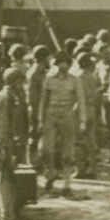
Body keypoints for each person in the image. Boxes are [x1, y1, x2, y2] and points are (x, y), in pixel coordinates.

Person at [38, 51, 87, 196]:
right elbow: (43, 101)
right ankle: (50, 173)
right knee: (46, 150)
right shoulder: (49, 80)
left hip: (67, 115)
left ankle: (67, 184)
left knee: (67, 152)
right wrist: (40, 120)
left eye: (65, 63)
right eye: (60, 63)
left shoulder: (75, 80)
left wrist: (82, 121)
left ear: (69, 65)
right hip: (51, 114)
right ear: (56, 64)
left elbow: (81, 100)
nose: (63, 66)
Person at [0, 67, 29, 220]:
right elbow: (1, 124)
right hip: (3, 144)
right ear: (14, 82)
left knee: (2, 180)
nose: (22, 85)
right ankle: (7, 218)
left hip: (5, 143)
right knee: (5, 181)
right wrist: (4, 146)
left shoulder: (7, 96)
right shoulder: (5, 98)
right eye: (20, 82)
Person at [73, 51, 102, 178]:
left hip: (80, 108)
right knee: (91, 140)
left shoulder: (77, 76)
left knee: (78, 140)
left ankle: (79, 168)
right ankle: (93, 169)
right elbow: (97, 94)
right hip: (91, 108)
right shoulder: (93, 76)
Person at [25, 44, 52, 166]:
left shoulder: (42, 73)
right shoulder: (34, 74)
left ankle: (38, 161)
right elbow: (33, 98)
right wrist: (39, 114)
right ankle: (32, 162)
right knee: (34, 135)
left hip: (42, 109)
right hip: (36, 110)